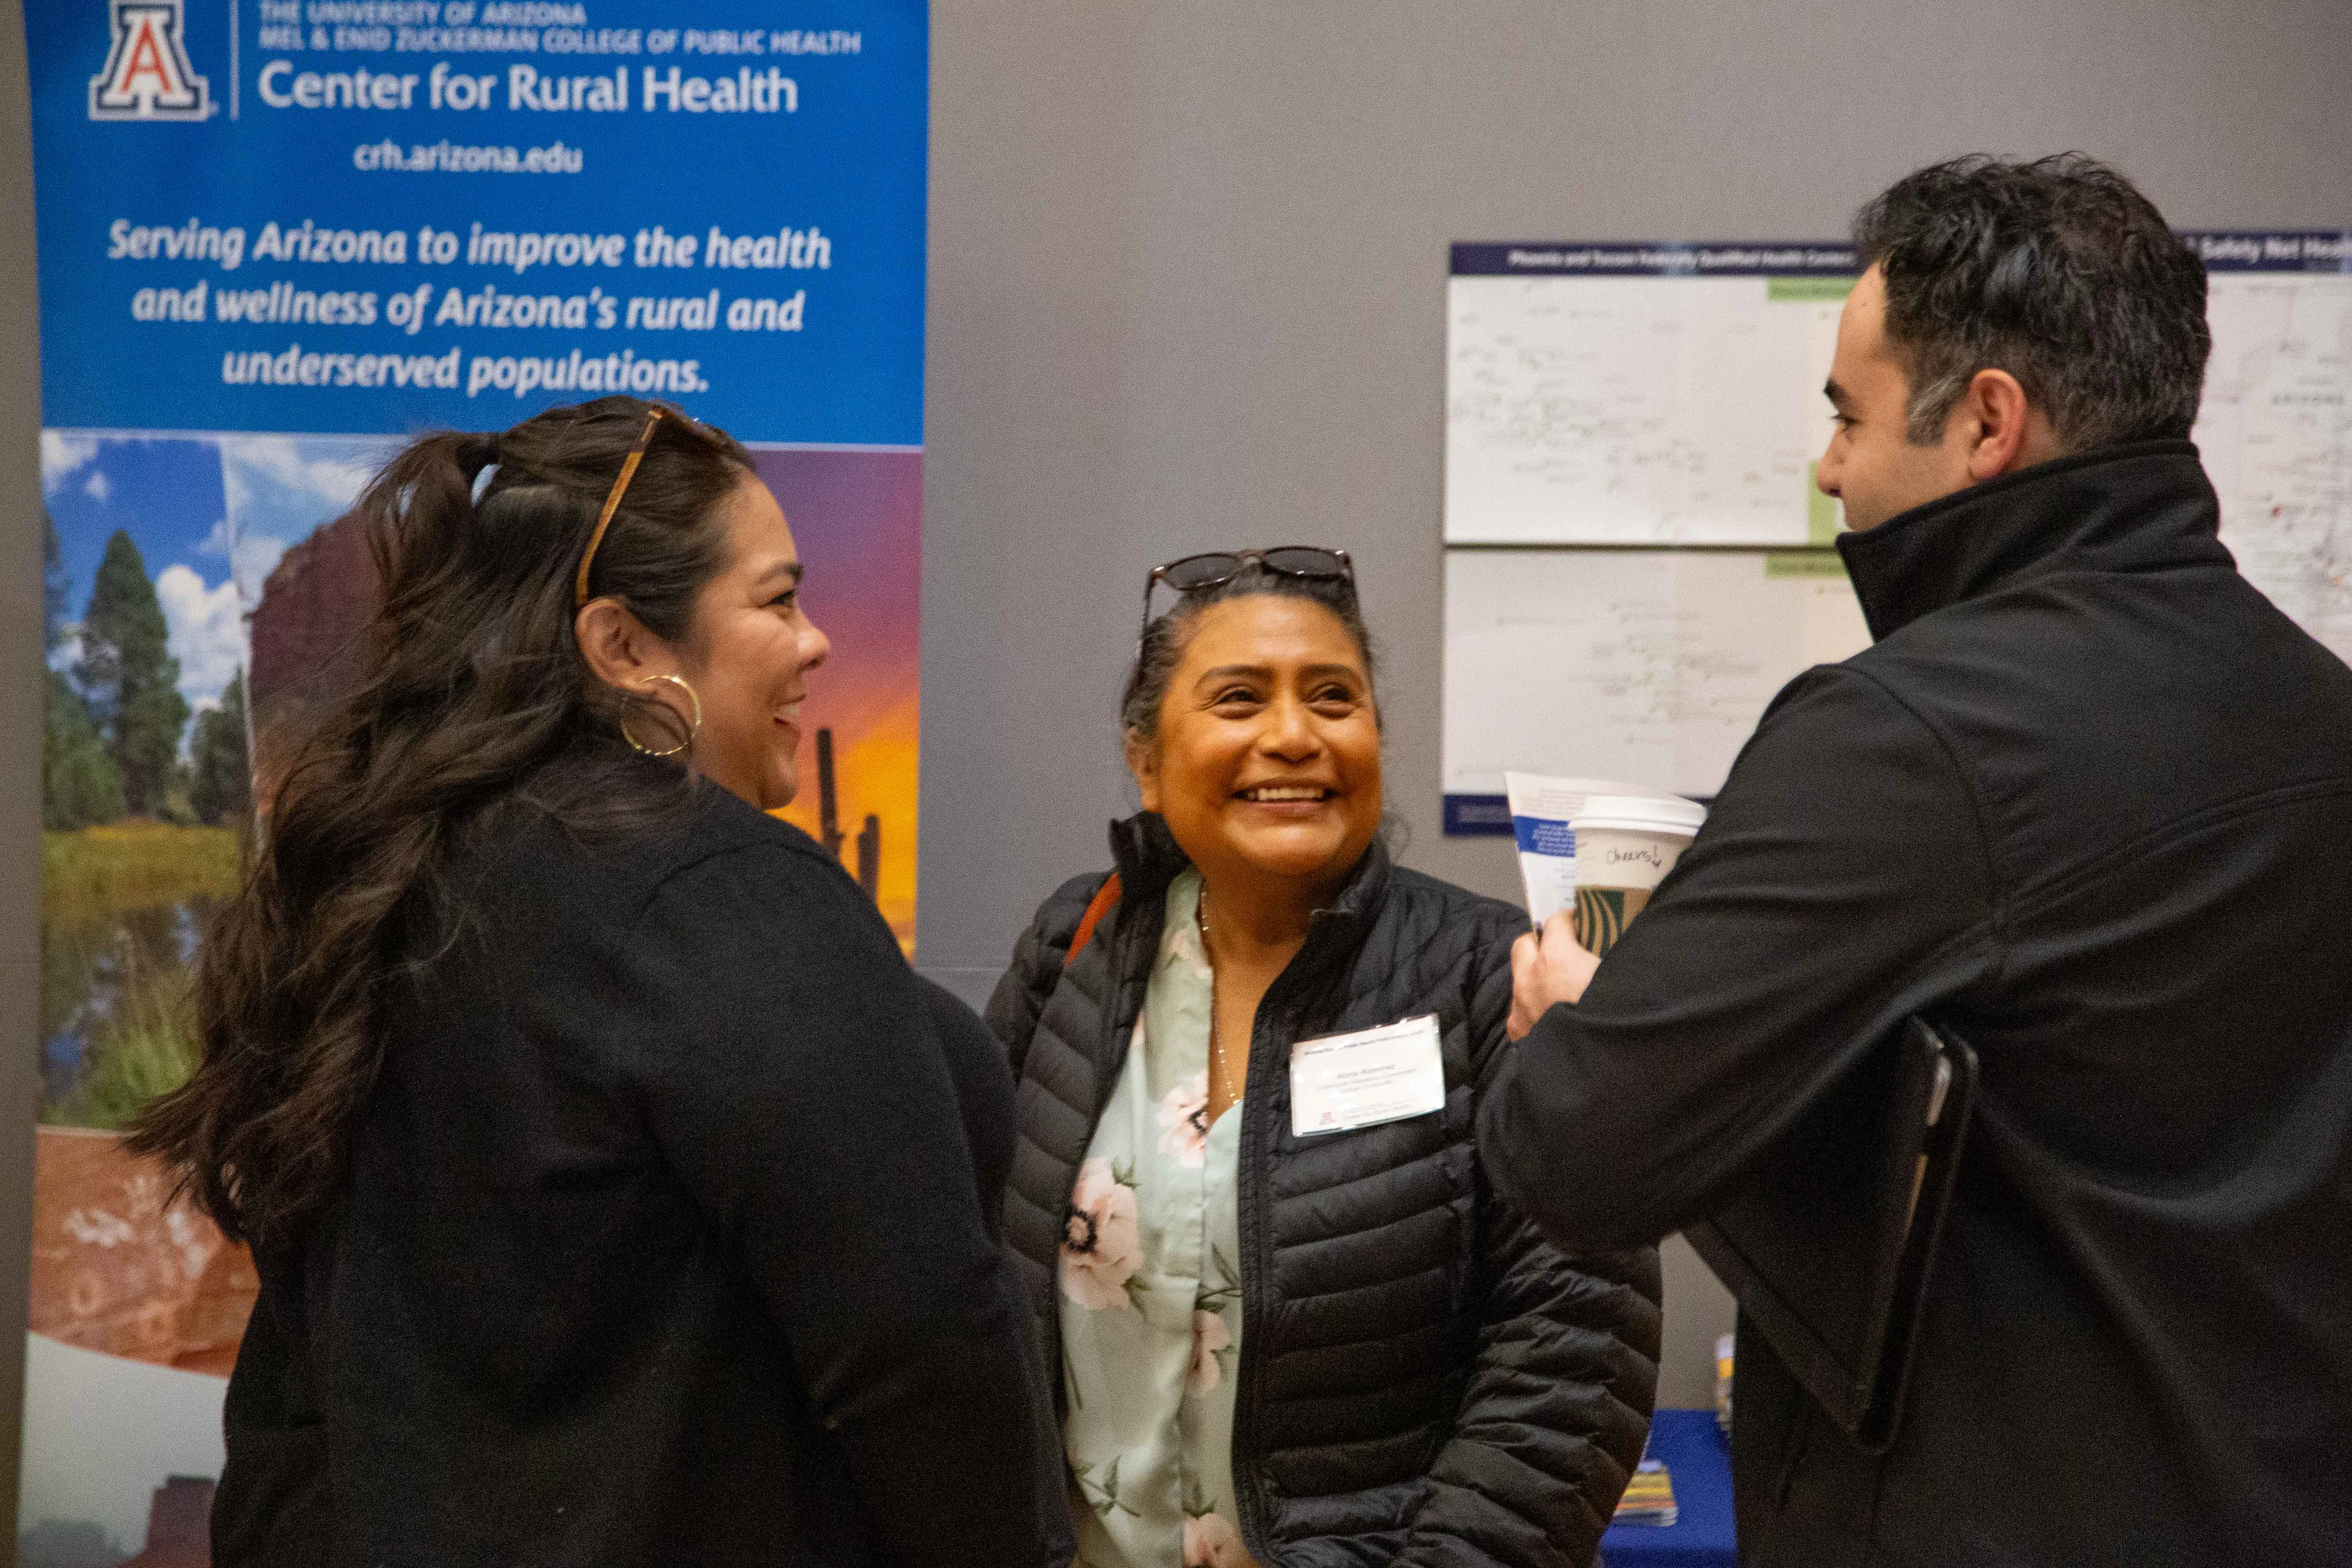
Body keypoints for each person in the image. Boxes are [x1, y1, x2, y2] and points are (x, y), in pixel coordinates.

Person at [1482, 155, 2352, 1566]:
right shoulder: (2324, 717)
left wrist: (1572, 1025)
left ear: (1987, 424)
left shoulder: (1905, 738)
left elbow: (1574, 1147)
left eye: (1848, 413)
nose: (1828, 463)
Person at [129, 396, 1070, 1568]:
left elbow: (293, 1396)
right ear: (624, 645)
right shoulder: (723, 896)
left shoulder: (381, 884)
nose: (819, 640)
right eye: (777, 600)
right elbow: (926, 1356)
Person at [989, 549, 1661, 1568]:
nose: (1294, 736)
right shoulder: (1074, 948)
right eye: (1239, 699)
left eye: (1334, 698)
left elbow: (1572, 1359)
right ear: (1146, 757)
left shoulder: (1490, 979)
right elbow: (976, 1284)